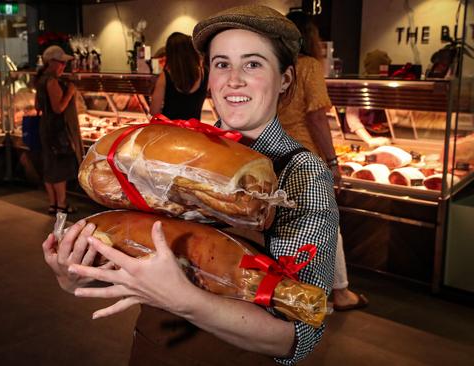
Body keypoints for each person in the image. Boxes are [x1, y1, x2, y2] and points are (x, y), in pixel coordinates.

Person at [42, 5, 338, 365]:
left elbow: (299, 338)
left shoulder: (301, 174)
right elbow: (138, 260)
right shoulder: (174, 154)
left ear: (286, 79)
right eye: (221, 64)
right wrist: (76, 275)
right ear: (208, 75)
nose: (234, 79)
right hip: (153, 350)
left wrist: (186, 301)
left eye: (253, 64)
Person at [279, 11, 369, 311]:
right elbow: (317, 117)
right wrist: (332, 163)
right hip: (303, 157)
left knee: (290, 227)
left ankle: (297, 292)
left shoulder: (272, 66)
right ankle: (339, 293)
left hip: (273, 154)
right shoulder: (308, 66)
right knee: (327, 222)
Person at [35, 45, 83, 215]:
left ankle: (53, 204)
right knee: (59, 168)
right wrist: (70, 92)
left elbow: (38, 105)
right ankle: (61, 205)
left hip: (45, 127)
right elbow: (58, 108)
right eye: (61, 63)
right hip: (56, 130)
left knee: (49, 166)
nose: (64, 66)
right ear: (51, 62)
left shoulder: (40, 79)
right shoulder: (52, 81)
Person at [149, 32, 208, 120]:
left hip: (169, 130)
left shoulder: (165, 76)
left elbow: (154, 111)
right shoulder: (205, 74)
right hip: (194, 131)